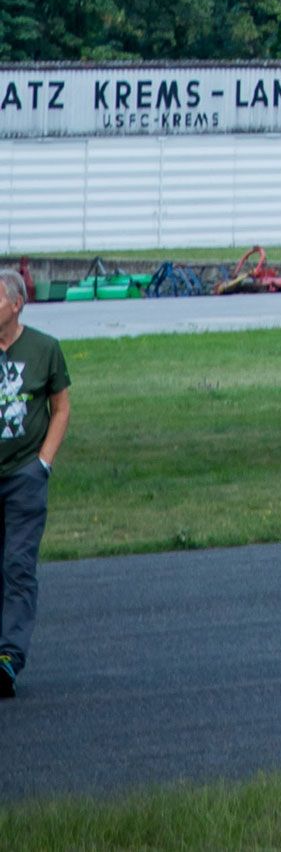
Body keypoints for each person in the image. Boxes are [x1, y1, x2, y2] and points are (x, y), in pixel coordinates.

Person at [0, 265, 73, 698]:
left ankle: (8, 658)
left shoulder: (45, 348)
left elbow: (61, 406)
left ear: (15, 304)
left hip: (25, 477)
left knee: (18, 566)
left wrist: (43, 462)